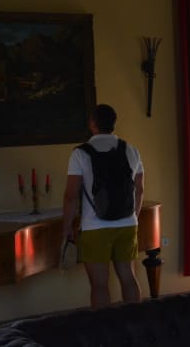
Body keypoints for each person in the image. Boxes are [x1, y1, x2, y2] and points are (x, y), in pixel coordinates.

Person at [62, 104, 145, 309]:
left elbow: (71, 196)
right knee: (128, 278)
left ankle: (104, 328)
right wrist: (132, 217)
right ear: (114, 123)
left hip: (95, 227)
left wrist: (67, 228)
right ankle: (136, 325)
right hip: (127, 224)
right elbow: (140, 190)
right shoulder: (131, 150)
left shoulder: (80, 154)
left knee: (99, 284)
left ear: (92, 124)